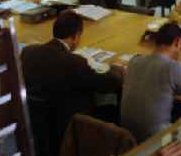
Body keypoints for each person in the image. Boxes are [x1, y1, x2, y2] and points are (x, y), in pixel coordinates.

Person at [21, 11, 123, 143]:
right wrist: (118, 71)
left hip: (36, 123)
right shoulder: (74, 62)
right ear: (75, 36)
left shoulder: (28, 53)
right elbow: (106, 84)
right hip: (68, 125)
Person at [120, 22, 181, 143]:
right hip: (157, 142)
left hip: (127, 139)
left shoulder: (134, 61)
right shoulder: (174, 67)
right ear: (177, 42)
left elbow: (153, 88)